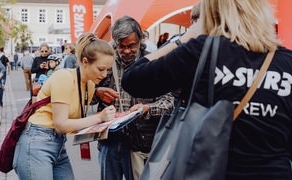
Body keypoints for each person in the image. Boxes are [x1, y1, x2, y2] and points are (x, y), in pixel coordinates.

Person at [122, 0, 291, 179]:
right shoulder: (287, 63)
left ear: (211, 13)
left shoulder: (203, 51)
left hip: (208, 171)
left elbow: (133, 79)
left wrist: (185, 38)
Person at [13, 32, 116, 180]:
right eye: (101, 69)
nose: (105, 74)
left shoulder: (90, 85)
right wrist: (100, 117)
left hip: (58, 145)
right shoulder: (64, 77)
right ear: (85, 61)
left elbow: (75, 124)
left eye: (108, 70)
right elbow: (61, 124)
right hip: (37, 142)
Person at [94, 16, 174, 180]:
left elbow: (170, 101)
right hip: (109, 140)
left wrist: (147, 109)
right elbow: (86, 96)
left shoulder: (153, 62)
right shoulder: (104, 62)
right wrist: (96, 93)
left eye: (132, 45)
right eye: (121, 46)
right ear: (115, 42)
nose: (127, 51)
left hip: (141, 141)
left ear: (140, 39)